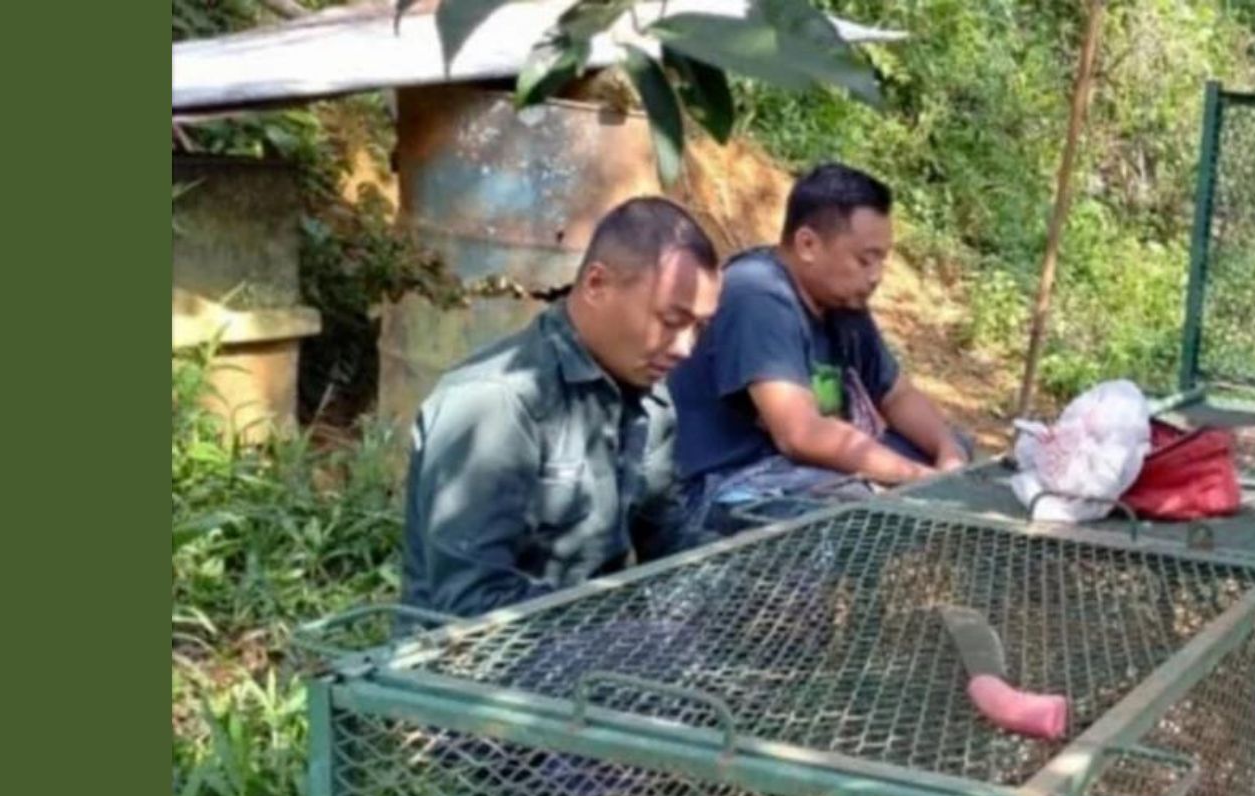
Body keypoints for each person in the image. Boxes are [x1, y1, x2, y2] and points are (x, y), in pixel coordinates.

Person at [398, 196, 722, 619]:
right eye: (670, 320)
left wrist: (742, 587)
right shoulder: (496, 405)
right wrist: (621, 635)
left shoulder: (651, 399)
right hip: (459, 671)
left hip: (586, 644)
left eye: (699, 327)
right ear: (595, 285)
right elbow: (471, 607)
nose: (685, 348)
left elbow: (666, 539)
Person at [669, 162, 970, 535]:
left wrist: (948, 454)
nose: (876, 276)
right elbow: (800, 434)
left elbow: (896, 394)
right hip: (727, 484)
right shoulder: (757, 293)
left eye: (882, 260)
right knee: (852, 513)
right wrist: (917, 478)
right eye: (864, 259)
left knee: (955, 448)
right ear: (808, 244)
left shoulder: (843, 303)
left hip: (795, 472)